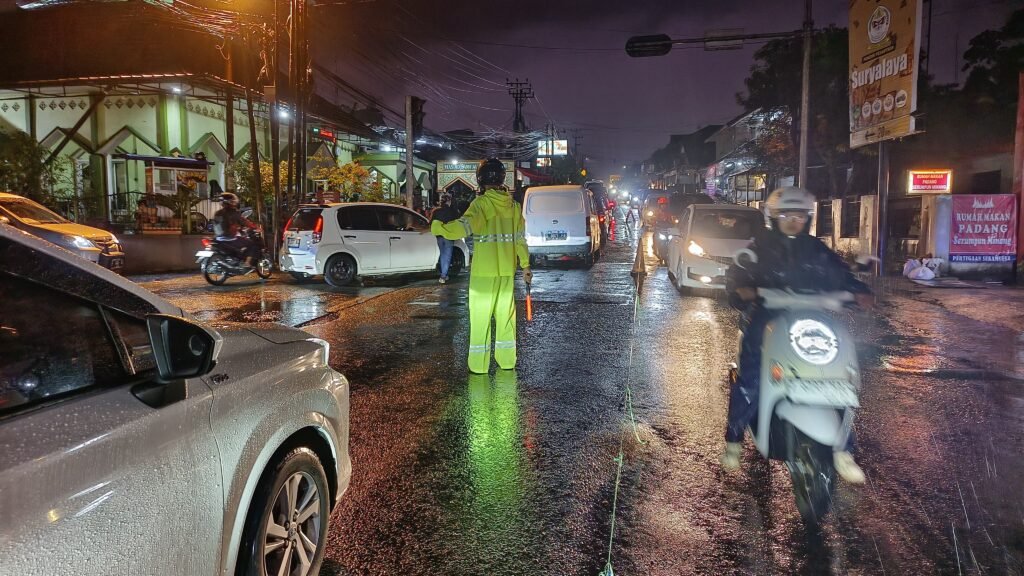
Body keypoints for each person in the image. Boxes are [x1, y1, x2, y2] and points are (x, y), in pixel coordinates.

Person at [721, 186, 872, 484]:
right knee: (751, 376)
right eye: (786, 214)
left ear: (808, 218)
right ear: (774, 216)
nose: (794, 220)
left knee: (840, 375)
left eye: (800, 215)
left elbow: (841, 274)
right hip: (767, 316)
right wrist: (741, 289)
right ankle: (733, 440)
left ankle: (844, 451)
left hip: (813, 317)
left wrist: (859, 291)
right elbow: (738, 273)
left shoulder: (816, 249)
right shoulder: (759, 246)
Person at [432, 158, 532, 374]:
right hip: (506, 274)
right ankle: (506, 362)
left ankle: (479, 366)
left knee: (480, 320)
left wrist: (438, 226)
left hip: (483, 277)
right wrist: (525, 266)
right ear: (502, 179)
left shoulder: (481, 204)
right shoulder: (514, 207)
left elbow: (463, 227)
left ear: (480, 179)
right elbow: (520, 240)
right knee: (506, 319)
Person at [212, 192, 260, 267]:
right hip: (229, 238)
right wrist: (255, 227)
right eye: (233, 201)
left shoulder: (218, 213)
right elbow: (244, 221)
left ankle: (235, 260)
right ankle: (247, 263)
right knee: (251, 244)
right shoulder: (233, 212)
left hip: (218, 238)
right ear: (231, 202)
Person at [431, 193, 459, 284]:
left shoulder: (436, 212)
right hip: (448, 236)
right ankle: (443, 276)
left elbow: (431, 223)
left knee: (442, 254)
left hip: (439, 236)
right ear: (449, 201)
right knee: (446, 256)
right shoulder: (454, 212)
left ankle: (444, 274)